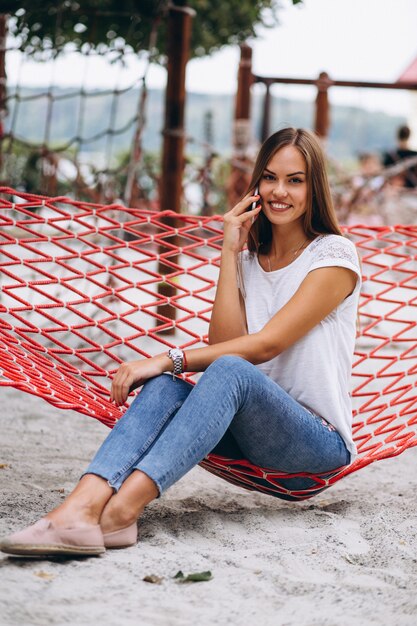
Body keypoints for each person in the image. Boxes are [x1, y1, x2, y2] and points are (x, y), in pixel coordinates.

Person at [0, 127, 361, 558]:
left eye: (295, 180)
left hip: (312, 447)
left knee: (210, 371)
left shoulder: (334, 256)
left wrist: (168, 358)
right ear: (256, 185)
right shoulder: (249, 260)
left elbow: (264, 346)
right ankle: (77, 511)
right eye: (269, 177)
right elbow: (226, 345)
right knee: (167, 387)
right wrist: (230, 253)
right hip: (245, 432)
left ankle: (119, 513)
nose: (279, 191)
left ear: (313, 187)